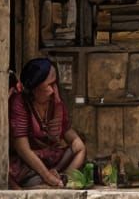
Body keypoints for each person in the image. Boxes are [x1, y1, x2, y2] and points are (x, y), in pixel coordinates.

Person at [8, 58, 86, 190]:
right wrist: (47, 176)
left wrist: (60, 176)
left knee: (80, 147)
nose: (53, 90)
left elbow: (74, 140)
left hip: (51, 160)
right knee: (32, 178)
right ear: (34, 88)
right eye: (49, 85)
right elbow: (23, 149)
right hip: (29, 162)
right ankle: (45, 182)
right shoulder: (20, 103)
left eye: (55, 84)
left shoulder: (55, 103)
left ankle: (61, 180)